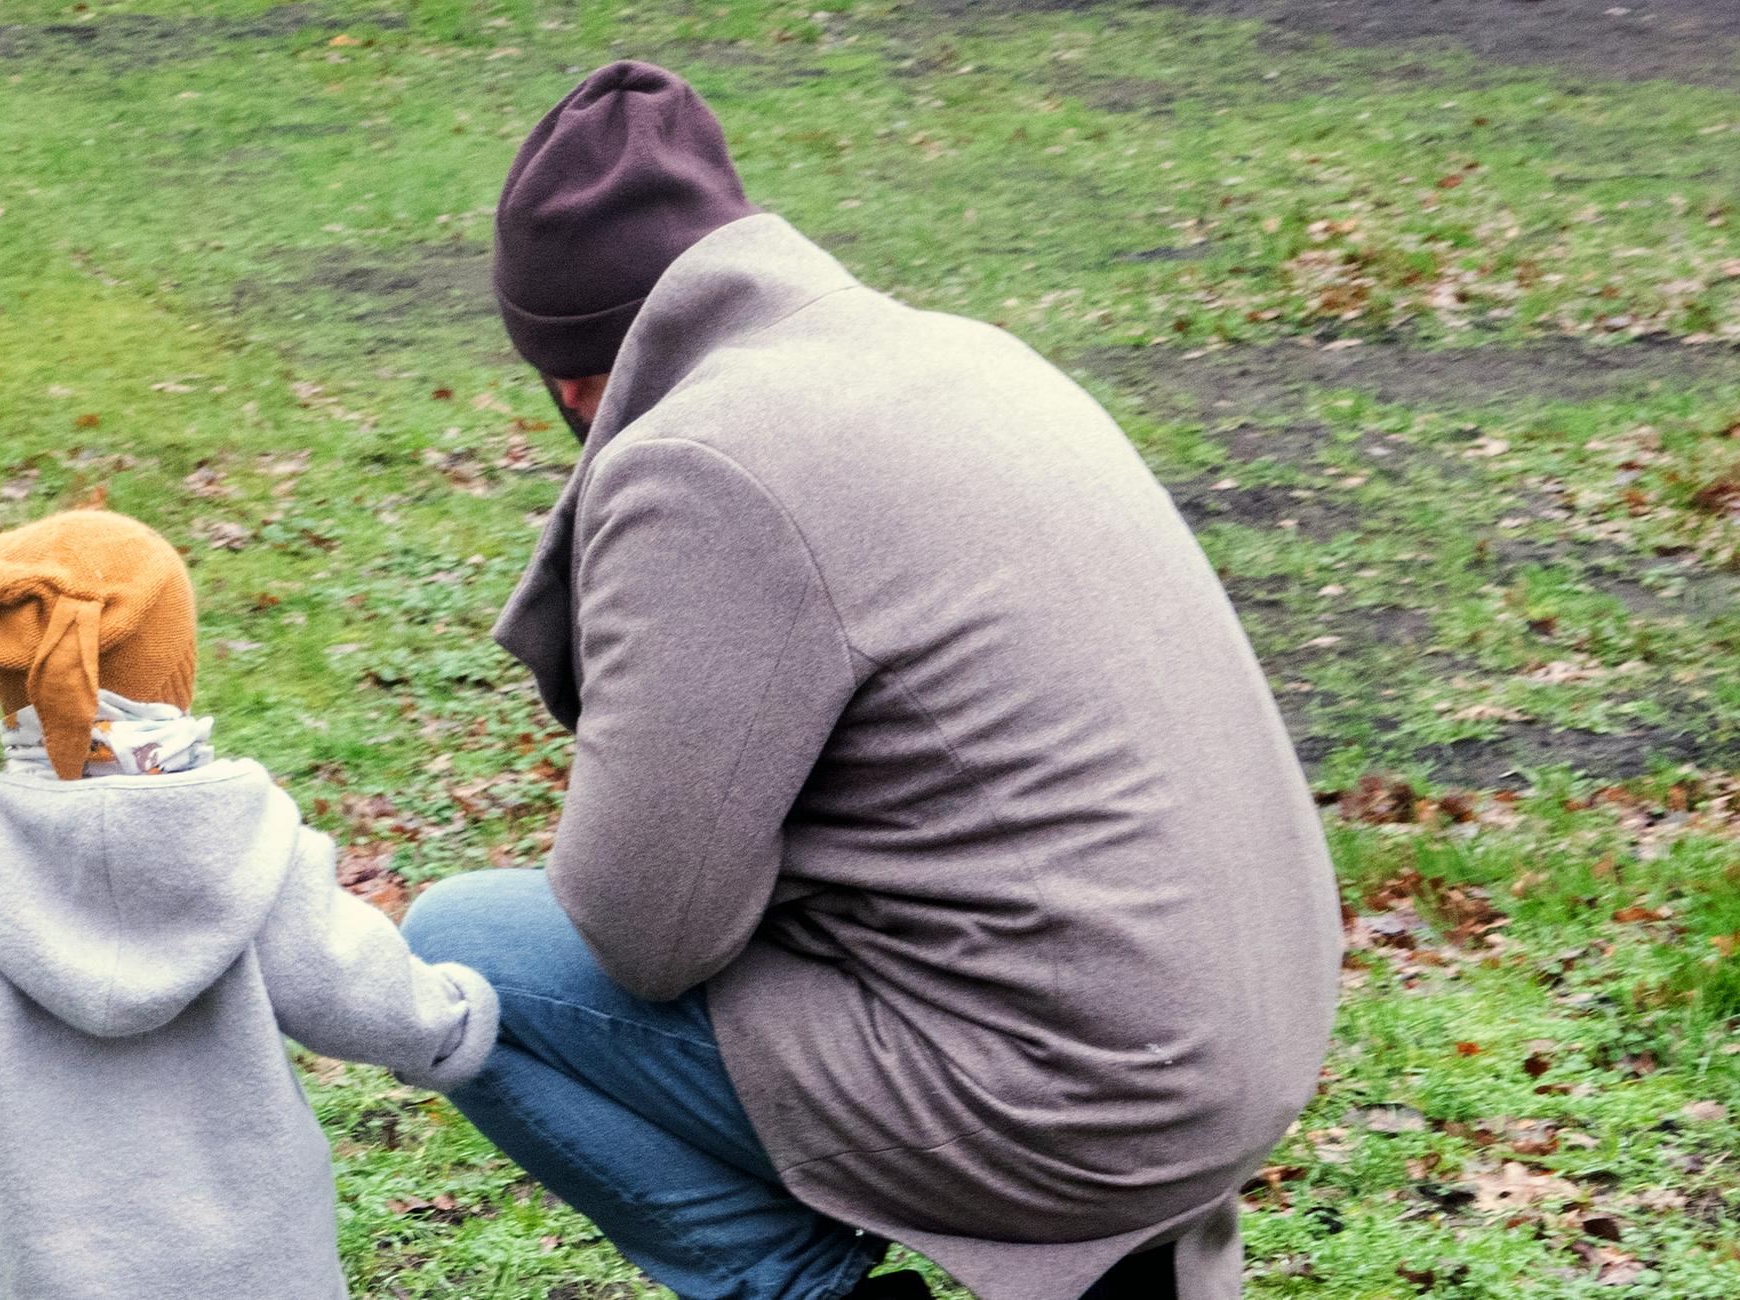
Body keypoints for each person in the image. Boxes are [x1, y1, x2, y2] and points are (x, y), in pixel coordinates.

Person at [401, 61, 1342, 1300]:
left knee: (467, 951)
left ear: (575, 377)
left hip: (1091, 1090)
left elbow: (640, 930)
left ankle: (799, 1290)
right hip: (1243, 1033)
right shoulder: (959, 352)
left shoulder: (702, 459)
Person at [0, 508, 499, 1300]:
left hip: (54, 1272)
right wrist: (451, 1023)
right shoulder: (247, 840)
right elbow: (350, 988)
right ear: (172, 668)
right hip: (259, 1266)